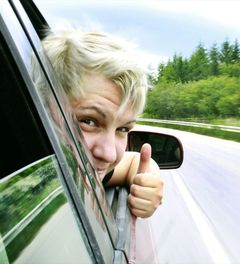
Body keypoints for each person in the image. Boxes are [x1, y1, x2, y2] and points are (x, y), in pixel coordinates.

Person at [41, 28, 163, 218]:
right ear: (41, 110)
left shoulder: (84, 169)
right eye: (89, 121)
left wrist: (148, 182)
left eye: (123, 129)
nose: (109, 154)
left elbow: (133, 161)